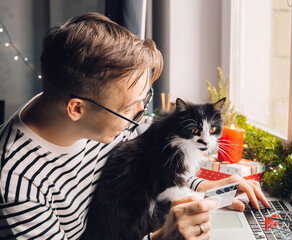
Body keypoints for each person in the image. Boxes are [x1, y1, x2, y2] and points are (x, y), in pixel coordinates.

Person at [0, 12, 270, 240]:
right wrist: (160, 238)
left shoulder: (87, 113)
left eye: (144, 100)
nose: (139, 116)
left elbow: (150, 169)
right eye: (129, 108)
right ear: (77, 109)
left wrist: (205, 187)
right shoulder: (19, 182)